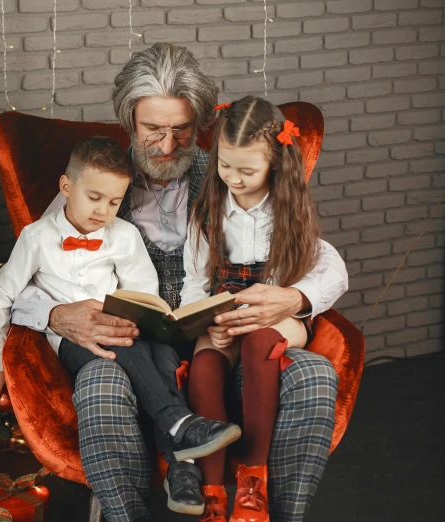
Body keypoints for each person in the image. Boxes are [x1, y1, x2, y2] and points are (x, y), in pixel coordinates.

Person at [11, 43, 348, 522]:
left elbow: (321, 256)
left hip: (222, 343)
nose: (167, 147)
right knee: (100, 382)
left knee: (313, 375)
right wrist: (56, 314)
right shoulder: (100, 184)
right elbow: (23, 277)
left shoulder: (227, 179)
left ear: (202, 126)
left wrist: (294, 298)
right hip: (132, 354)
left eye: (182, 130)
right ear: (129, 120)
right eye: (152, 130)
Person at [0, 137, 241, 515]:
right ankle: (178, 424)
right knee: (127, 346)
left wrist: (144, 318)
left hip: (121, 327)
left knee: (166, 354)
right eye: (94, 197)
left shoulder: (123, 234)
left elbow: (143, 290)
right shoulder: (36, 237)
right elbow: (2, 295)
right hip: (71, 341)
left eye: (114, 202)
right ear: (66, 187)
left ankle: (181, 468)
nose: (103, 210)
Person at [182, 95, 329, 522]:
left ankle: (252, 482)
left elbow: (314, 274)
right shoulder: (207, 211)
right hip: (228, 312)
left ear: (274, 164)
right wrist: (210, 320)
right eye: (225, 166)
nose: (234, 178)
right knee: (205, 364)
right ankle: (212, 494)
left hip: (275, 313)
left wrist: (284, 303)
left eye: (247, 170)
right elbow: (195, 282)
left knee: (263, 340)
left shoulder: (289, 212)